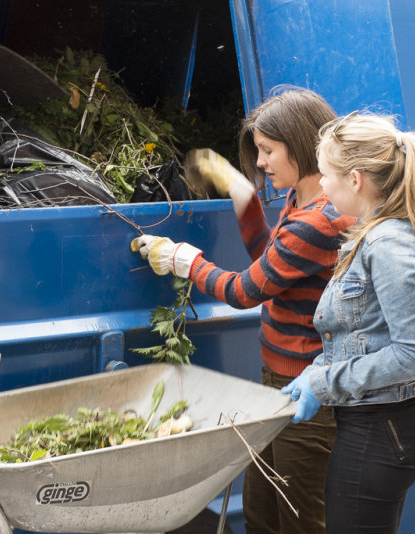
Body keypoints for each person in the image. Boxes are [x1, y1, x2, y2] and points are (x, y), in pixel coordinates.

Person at [131, 88, 356, 533]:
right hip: (278, 381)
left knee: (298, 521)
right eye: (258, 152)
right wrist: (242, 194)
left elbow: (244, 289)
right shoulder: (301, 202)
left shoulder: (320, 220)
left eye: (268, 151)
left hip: (310, 393)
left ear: (304, 146)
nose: (261, 163)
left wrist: (183, 260)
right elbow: (272, 263)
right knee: (260, 513)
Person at [281, 111, 415, 533]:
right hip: (384, 424)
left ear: (355, 179)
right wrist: (319, 370)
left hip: (384, 428)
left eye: (325, 175)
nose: (321, 185)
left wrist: (322, 383)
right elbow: (370, 333)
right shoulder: (375, 233)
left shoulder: (389, 245)